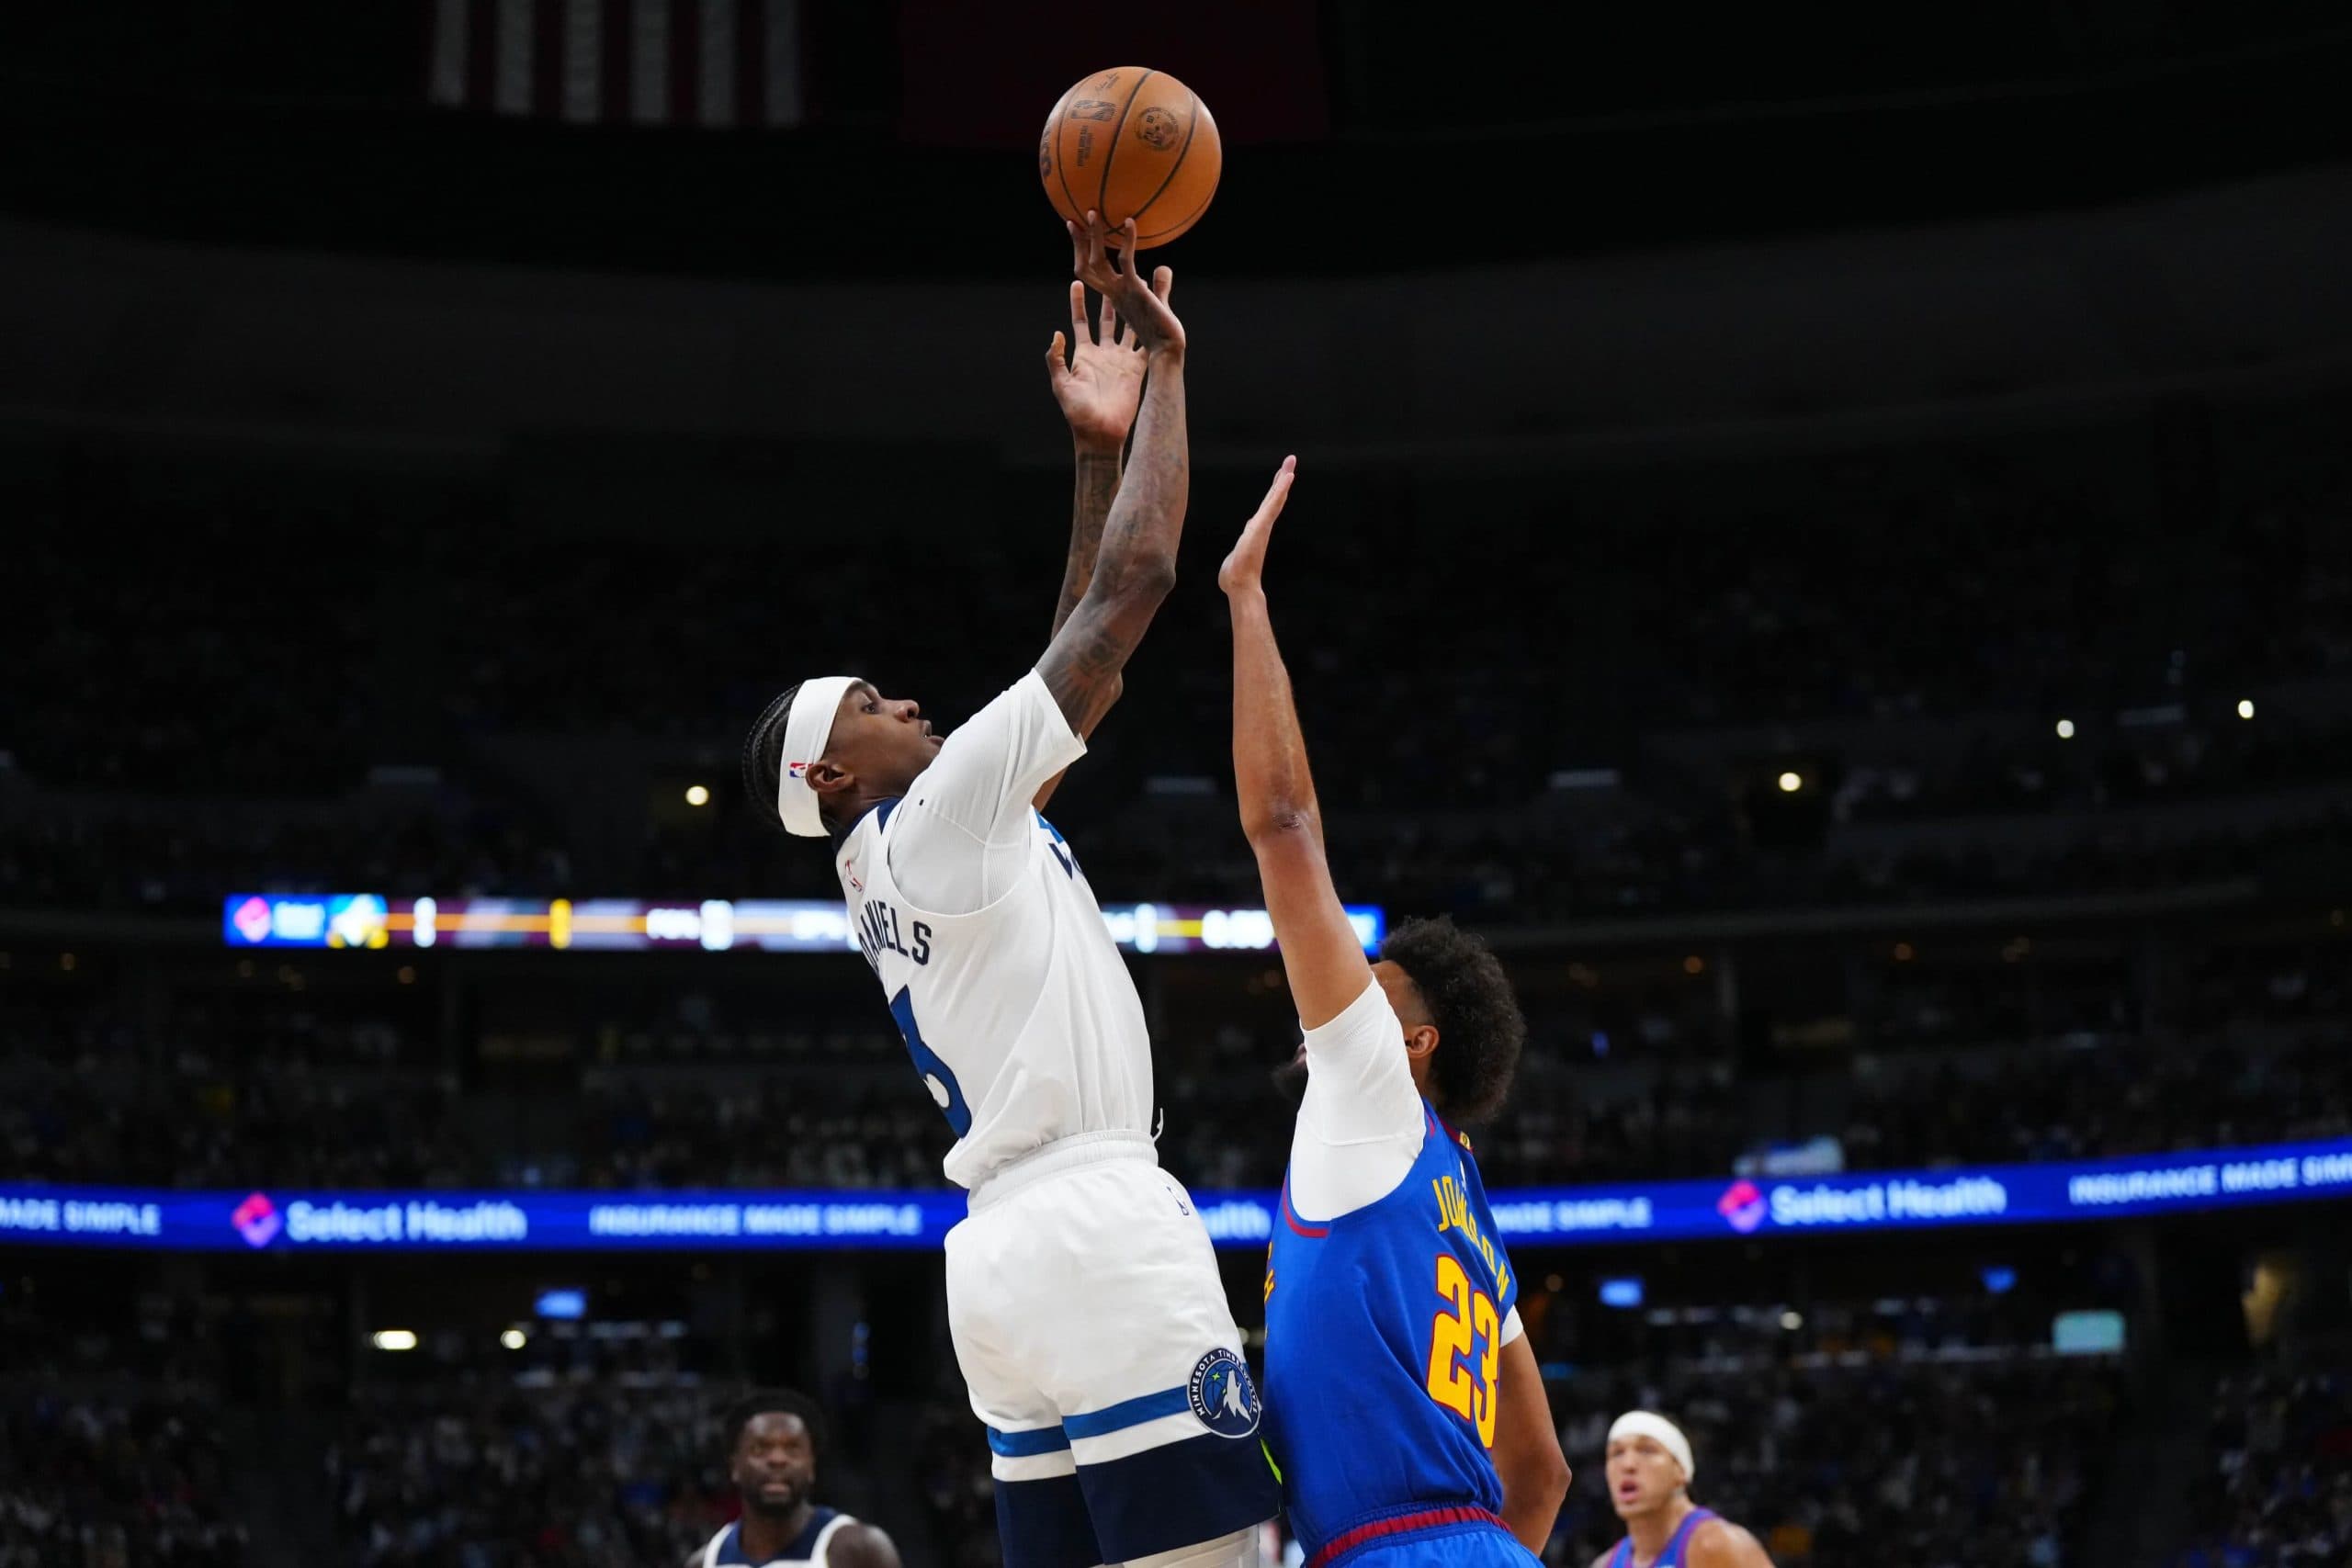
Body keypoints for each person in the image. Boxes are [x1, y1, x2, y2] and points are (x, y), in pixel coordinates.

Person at [740, 214, 1276, 1568]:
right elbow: (1136, 589)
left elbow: (1063, 667)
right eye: (868, 700)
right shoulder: (935, 816)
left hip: (1000, 1263)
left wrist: (1094, 453)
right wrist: (1167, 375)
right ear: (832, 769)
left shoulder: (897, 856)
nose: (905, 696)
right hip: (1095, 1222)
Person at [1216, 463, 1571, 1567]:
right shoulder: (1463, 1196)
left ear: (1411, 1042)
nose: (1340, 987)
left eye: (1372, 984)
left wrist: (1246, 602)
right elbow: (1546, 1472)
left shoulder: (1370, 1094)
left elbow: (1282, 825)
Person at [691, 1389, 899, 1568]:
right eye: (760, 1448)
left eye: (793, 1449)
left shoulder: (860, 1550)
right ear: (734, 1466)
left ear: (811, 1466)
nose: (777, 1459)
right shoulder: (706, 1561)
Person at [1590, 1413, 1772, 1568]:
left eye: (1647, 1450)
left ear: (1681, 1471)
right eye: (1616, 1453)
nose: (1627, 1465)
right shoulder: (1605, 1563)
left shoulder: (1714, 1545)